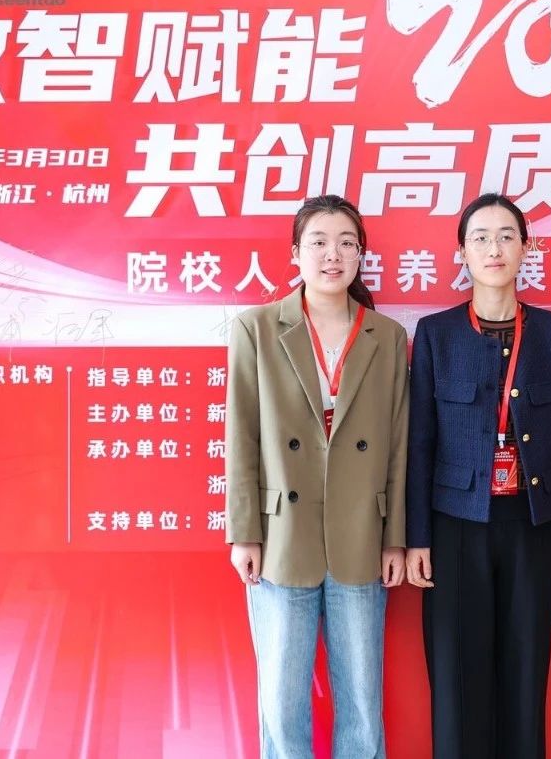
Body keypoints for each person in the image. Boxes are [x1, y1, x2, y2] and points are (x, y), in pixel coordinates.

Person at [405, 193, 551, 758]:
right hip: (455, 527)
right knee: (457, 678)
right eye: (480, 238)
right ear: (462, 251)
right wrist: (416, 538)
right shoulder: (435, 334)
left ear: (525, 248)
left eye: (507, 236)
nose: (494, 248)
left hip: (534, 525)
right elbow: (418, 442)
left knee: (525, 672)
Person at [225, 194, 408, 759]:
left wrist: (395, 539)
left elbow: (399, 444)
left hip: (361, 535)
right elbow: (241, 435)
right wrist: (244, 533)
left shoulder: (387, 336)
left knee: (363, 703)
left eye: (347, 243)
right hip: (282, 536)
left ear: (361, 256)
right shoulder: (256, 327)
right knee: (282, 703)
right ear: (295, 254)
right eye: (320, 243)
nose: (334, 255)